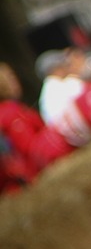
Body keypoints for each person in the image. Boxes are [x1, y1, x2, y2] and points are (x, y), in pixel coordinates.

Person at [0, 62, 74, 191]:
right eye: (10, 77)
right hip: (42, 178)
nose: (15, 81)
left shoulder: (12, 110)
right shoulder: (10, 114)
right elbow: (32, 148)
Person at [36, 48, 91, 149]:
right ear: (55, 69)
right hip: (87, 136)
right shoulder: (65, 85)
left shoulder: (45, 95)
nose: (66, 68)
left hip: (74, 144)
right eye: (63, 65)